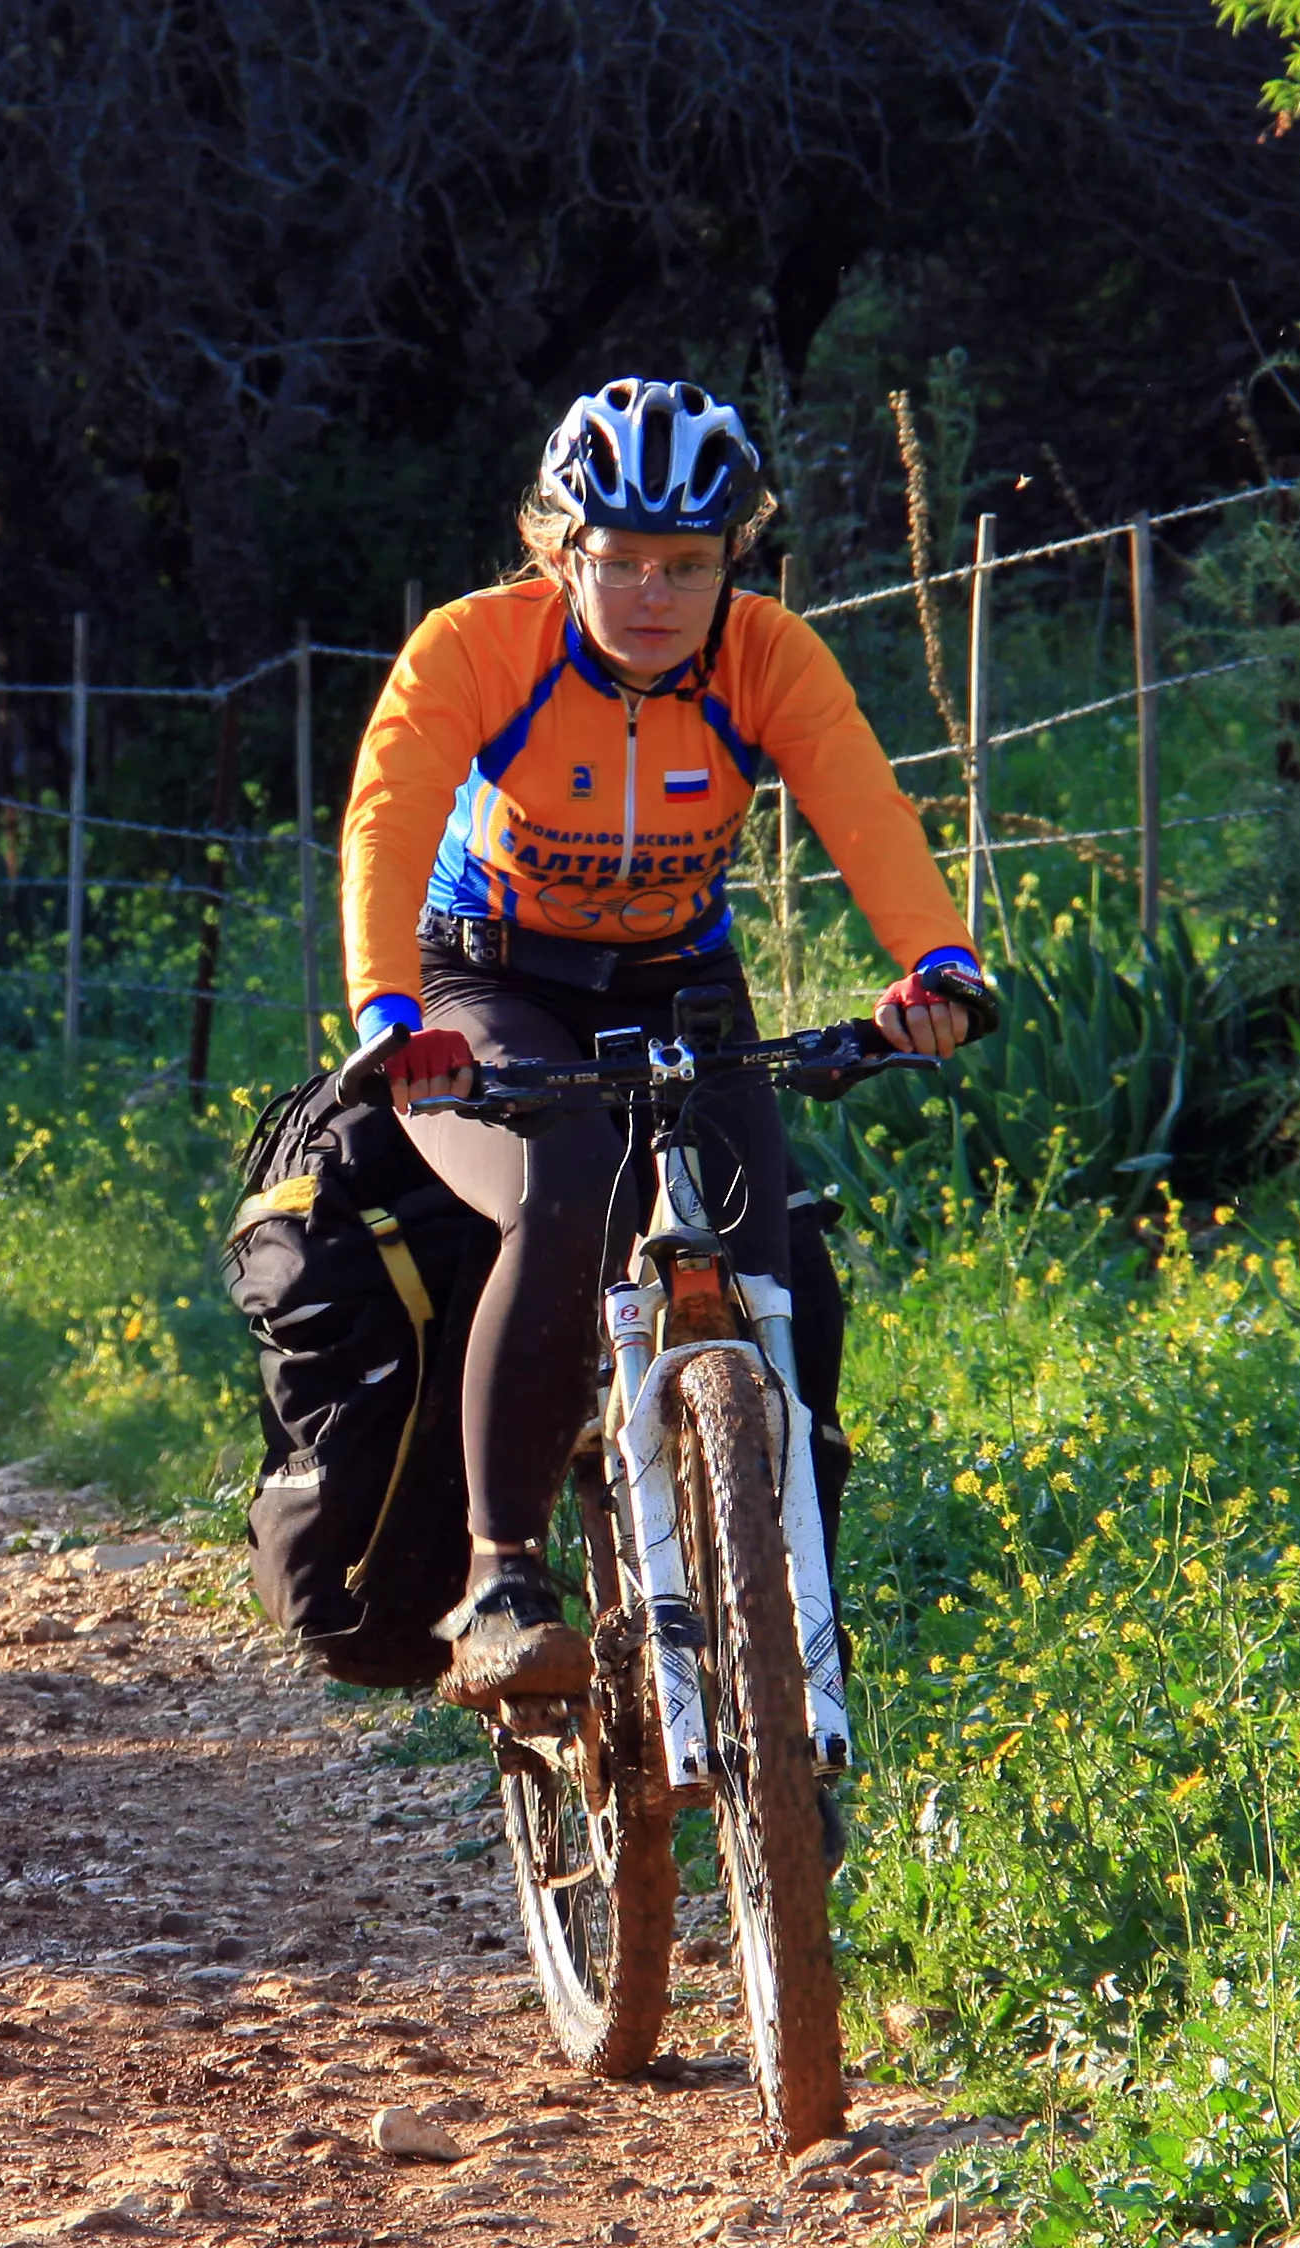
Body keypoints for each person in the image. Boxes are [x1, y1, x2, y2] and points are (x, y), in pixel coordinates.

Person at [338, 377, 996, 1711]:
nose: (652, 593)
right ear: (556, 551)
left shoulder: (765, 657)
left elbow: (861, 806)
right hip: (486, 984)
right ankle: (504, 1579)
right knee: (566, 1186)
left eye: (687, 565)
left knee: (779, 1269)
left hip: (678, 980)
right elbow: (389, 814)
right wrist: (390, 1014)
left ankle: (787, 1602)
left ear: (732, 563)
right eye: (620, 560)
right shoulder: (478, 647)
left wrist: (937, 963)